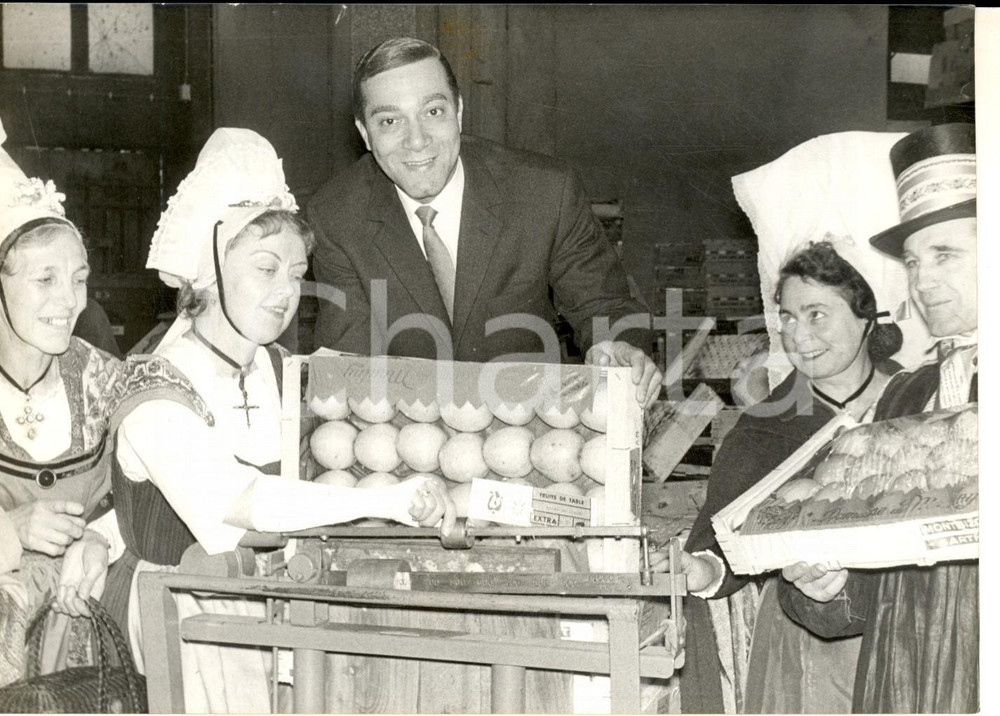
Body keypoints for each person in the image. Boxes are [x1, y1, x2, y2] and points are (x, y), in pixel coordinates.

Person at [61, 128, 455, 712]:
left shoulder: (280, 368)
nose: (286, 292)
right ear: (208, 272)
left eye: (296, 274)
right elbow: (245, 504)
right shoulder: (154, 387)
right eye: (266, 269)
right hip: (184, 614)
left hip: (267, 599)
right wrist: (389, 501)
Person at [308, 37, 661, 407]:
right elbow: (350, 362)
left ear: (458, 111)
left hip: (530, 426)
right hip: (409, 431)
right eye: (390, 121)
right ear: (365, 134)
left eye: (433, 112)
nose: (416, 141)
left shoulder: (544, 191)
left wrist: (616, 345)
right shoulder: (336, 217)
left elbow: (603, 304)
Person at [778, 123, 978, 713]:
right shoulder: (906, 397)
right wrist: (828, 586)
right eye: (914, 262)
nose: (923, 282)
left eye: (946, 254)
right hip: (905, 676)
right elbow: (868, 585)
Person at [667, 241, 902, 713]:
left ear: (865, 317)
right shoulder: (765, 427)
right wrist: (702, 569)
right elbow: (726, 538)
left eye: (816, 315)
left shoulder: (917, 400)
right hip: (809, 650)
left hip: (909, 625)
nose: (799, 336)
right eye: (788, 319)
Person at [0, 119, 121, 684]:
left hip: (87, 634)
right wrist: (13, 529)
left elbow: (158, 503)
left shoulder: (102, 378)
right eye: (44, 279)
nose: (68, 302)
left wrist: (101, 539)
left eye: (78, 279)